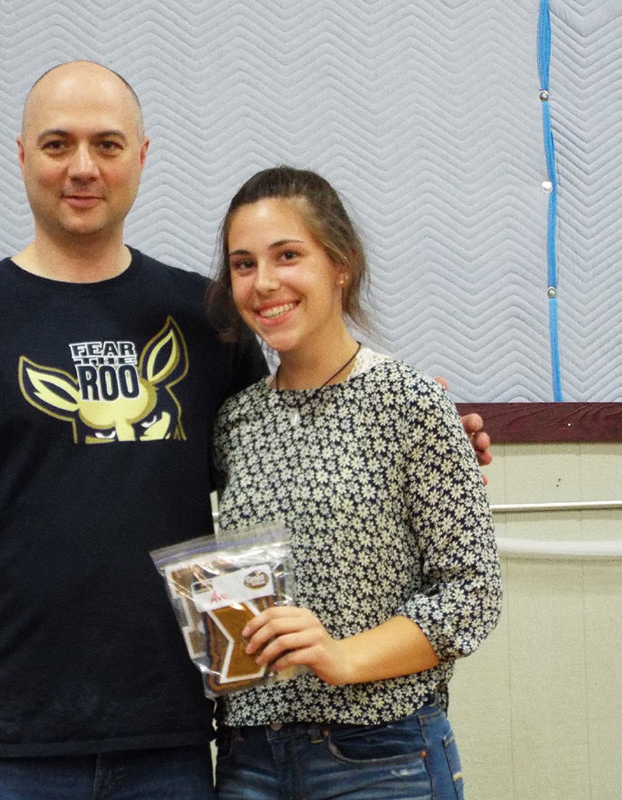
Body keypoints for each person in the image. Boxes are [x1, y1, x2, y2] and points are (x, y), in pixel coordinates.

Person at [0, 63, 491, 799]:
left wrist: (428, 435)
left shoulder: (207, 319)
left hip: (172, 749)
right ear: (22, 155)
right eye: (58, 144)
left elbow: (294, 447)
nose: (83, 167)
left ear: (142, 156)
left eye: (107, 144)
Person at [208, 166, 502, 800]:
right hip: (248, 756)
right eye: (243, 264)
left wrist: (342, 656)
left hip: (379, 755)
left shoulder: (409, 402)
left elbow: (472, 594)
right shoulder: (235, 420)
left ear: (341, 264)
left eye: (288, 255)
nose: (264, 282)